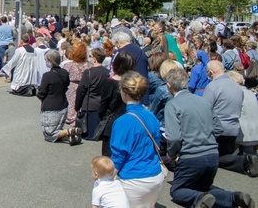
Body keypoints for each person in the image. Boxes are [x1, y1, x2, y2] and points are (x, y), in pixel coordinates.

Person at [163, 67, 255, 208]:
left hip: (190, 156)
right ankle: (234, 198)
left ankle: (200, 199)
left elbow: (174, 137)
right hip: (212, 154)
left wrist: (171, 154)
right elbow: (218, 128)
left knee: (177, 191)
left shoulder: (172, 105)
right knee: (202, 188)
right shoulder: (202, 101)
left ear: (169, 85)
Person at [110, 71, 164, 207]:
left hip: (133, 178)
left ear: (123, 92)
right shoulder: (151, 116)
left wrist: (107, 179)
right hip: (155, 175)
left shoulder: (123, 122)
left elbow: (118, 156)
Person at [203, 60, 258, 177]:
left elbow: (205, 109)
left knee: (214, 158)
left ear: (211, 73)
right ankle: (247, 161)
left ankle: (245, 160)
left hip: (217, 128)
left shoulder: (212, 86)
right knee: (223, 155)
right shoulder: (237, 87)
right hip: (233, 128)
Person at [37, 50, 79, 144]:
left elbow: (42, 92)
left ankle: (69, 131)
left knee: (49, 134)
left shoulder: (47, 75)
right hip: (63, 104)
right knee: (57, 127)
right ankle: (70, 136)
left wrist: (39, 96)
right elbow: (67, 85)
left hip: (51, 106)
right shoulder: (64, 72)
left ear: (49, 61)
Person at [98, 51, 135, 157]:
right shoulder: (135, 82)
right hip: (129, 120)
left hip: (112, 121)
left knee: (109, 156)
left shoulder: (110, 83)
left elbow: (103, 105)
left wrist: (103, 118)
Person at [76, 48, 109, 140]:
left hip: (89, 104)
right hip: (101, 103)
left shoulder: (89, 72)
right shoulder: (107, 72)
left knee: (89, 132)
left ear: (94, 58)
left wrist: (77, 106)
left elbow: (81, 90)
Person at [63, 41, 92, 124]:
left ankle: (72, 121)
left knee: (72, 106)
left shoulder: (69, 65)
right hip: (86, 87)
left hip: (72, 87)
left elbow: (64, 79)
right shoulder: (90, 65)